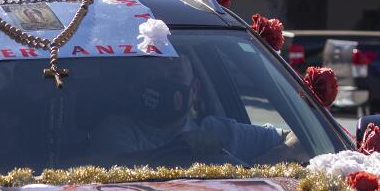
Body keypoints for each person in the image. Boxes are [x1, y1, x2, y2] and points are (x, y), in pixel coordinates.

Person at [91, 55, 298, 165]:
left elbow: (305, 140)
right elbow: (108, 168)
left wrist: (269, 160)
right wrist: (179, 150)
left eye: (175, 76)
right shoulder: (117, 131)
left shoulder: (219, 132)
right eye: (155, 77)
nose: (165, 85)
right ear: (137, 85)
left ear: (194, 90)